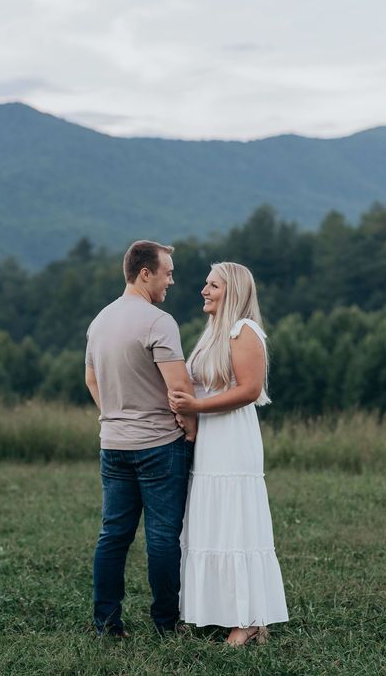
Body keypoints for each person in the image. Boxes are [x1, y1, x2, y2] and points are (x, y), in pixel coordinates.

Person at [169, 262, 288, 646]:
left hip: (232, 439)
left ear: (232, 290)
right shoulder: (212, 333)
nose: (204, 290)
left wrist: (195, 408)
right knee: (210, 521)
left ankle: (249, 619)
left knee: (235, 522)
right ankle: (214, 611)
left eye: (213, 285)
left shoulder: (244, 331)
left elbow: (250, 390)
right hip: (209, 440)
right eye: (205, 284)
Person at [85, 240, 197, 637]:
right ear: (145, 273)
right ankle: (166, 625)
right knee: (164, 538)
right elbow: (181, 390)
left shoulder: (99, 321)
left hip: (113, 444)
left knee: (113, 535)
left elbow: (91, 379)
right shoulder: (158, 321)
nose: (172, 280)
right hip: (158, 445)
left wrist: (114, 413)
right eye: (167, 272)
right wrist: (190, 434)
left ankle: (106, 625)